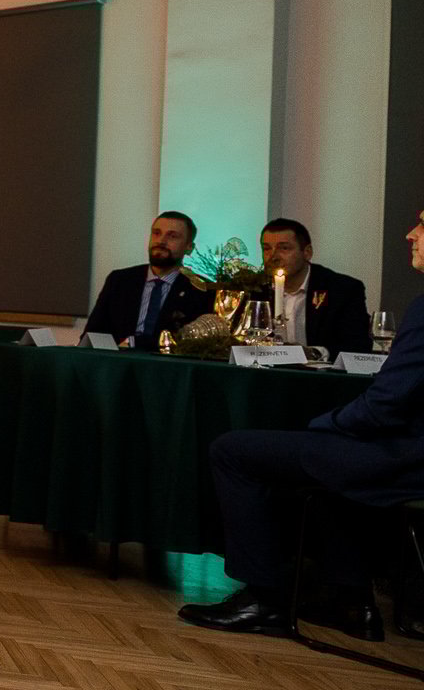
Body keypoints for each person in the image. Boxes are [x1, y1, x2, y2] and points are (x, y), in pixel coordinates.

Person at [179, 211, 424, 643]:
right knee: (325, 460)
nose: (410, 233)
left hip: (403, 459)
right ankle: (352, 603)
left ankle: (264, 599)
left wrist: (328, 423)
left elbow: (386, 404)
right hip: (407, 452)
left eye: (422, 223)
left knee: (232, 451)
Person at [81, 211, 211, 351]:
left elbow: (198, 344)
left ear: (189, 247)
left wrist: (136, 343)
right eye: (156, 233)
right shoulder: (120, 280)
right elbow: (93, 334)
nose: (161, 241)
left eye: (172, 236)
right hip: (117, 359)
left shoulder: (202, 289)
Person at [259, 218, 371, 356]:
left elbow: (358, 345)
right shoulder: (254, 290)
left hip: (320, 369)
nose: (273, 257)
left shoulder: (342, 290)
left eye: (284, 248)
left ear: (307, 252)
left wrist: (314, 353)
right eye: (267, 249)